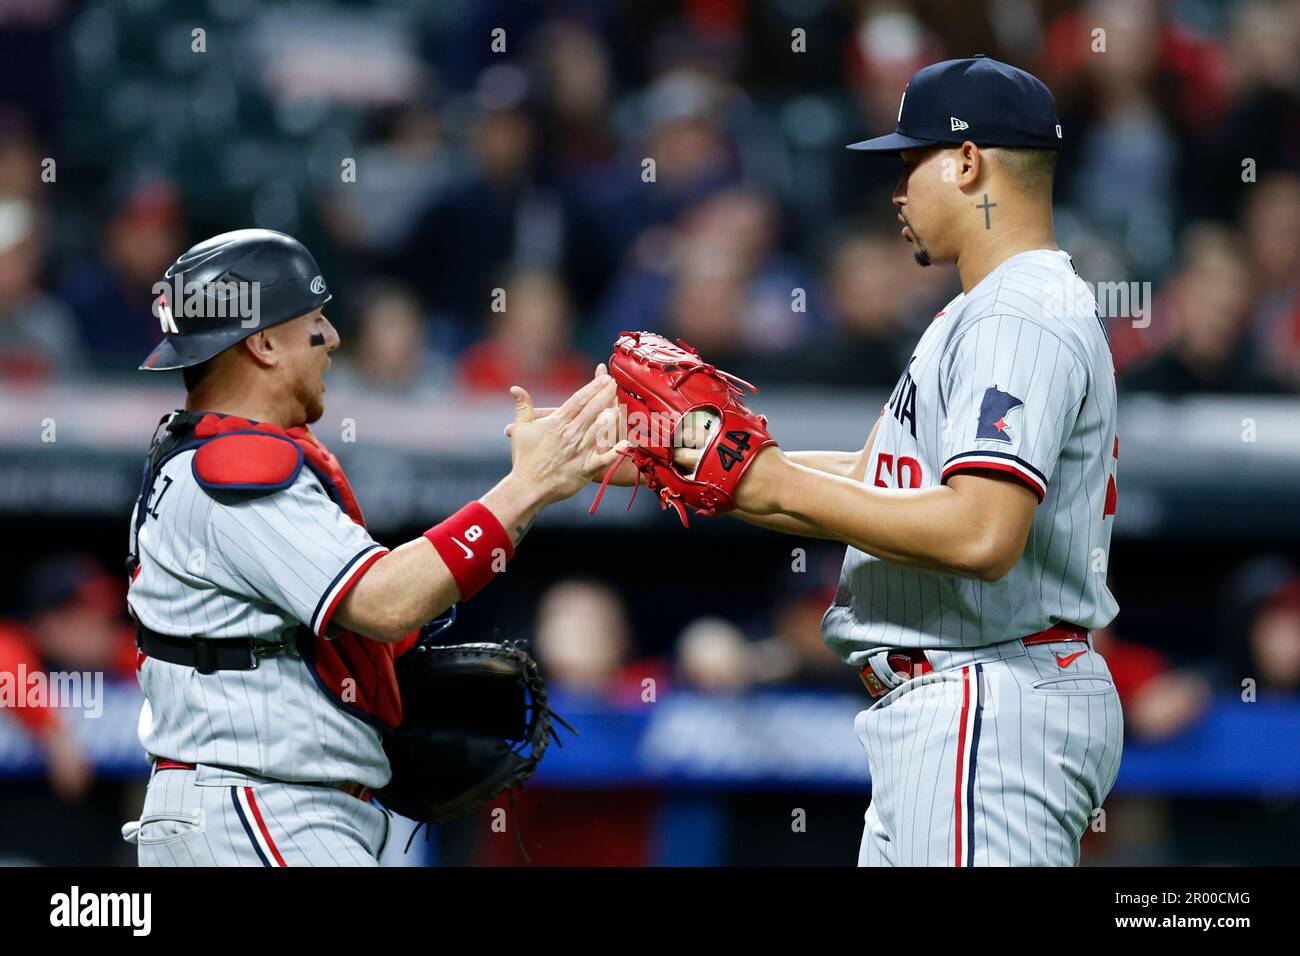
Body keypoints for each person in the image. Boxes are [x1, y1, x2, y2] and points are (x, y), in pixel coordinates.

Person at [623, 56, 1125, 866]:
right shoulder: (983, 309)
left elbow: (978, 532)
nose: (898, 191)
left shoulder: (1019, 312)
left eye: (908, 163)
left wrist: (759, 474)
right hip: (960, 704)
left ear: (968, 163)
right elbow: (883, 481)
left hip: (985, 702)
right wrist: (668, 457)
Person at [123, 228, 621, 866]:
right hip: (259, 807)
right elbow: (385, 600)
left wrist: (537, 490)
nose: (332, 338)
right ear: (264, 343)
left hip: (258, 807)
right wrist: (529, 486)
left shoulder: (207, 458)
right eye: (315, 321)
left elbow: (386, 614)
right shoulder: (229, 468)